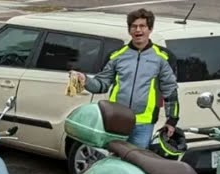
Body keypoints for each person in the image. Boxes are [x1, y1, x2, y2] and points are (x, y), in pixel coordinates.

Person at [69, 8, 179, 147]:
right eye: (134, 26)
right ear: (129, 30)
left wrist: (172, 120)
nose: (138, 30)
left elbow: (170, 91)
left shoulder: (163, 57)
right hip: (117, 120)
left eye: (142, 26)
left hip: (143, 124)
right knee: (115, 160)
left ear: (150, 29)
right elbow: (102, 84)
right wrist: (85, 80)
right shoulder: (116, 55)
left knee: (138, 164)